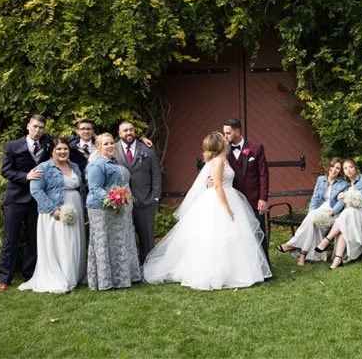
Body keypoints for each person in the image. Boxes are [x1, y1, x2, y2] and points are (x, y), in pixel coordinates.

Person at [142, 131, 271, 290]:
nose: (226, 138)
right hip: (219, 200)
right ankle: (214, 273)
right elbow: (217, 185)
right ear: (221, 144)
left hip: (230, 195)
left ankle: (233, 270)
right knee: (215, 236)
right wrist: (227, 208)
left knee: (233, 237)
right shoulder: (217, 161)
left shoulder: (225, 159)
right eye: (223, 138)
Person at [20, 137, 86, 293]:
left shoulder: (75, 166)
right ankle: (61, 276)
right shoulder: (44, 168)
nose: (63, 152)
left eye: (65, 149)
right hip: (55, 210)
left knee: (73, 241)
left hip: (74, 207)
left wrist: (83, 209)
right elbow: (36, 190)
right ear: (52, 151)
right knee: (61, 242)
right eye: (59, 149)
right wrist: (53, 210)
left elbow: (80, 188)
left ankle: (74, 275)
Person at [0, 114, 52, 291]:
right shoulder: (13, 145)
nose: (38, 130)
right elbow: (5, 170)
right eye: (35, 126)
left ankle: (29, 276)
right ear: (28, 126)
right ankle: (4, 279)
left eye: (41, 128)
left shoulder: (47, 143)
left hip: (37, 200)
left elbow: (67, 144)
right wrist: (25, 176)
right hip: (16, 199)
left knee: (33, 239)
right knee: (10, 239)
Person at [86, 132, 141, 291]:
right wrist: (111, 200)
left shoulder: (113, 162)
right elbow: (95, 188)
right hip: (101, 209)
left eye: (112, 143)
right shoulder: (96, 164)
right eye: (106, 144)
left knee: (117, 241)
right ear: (98, 147)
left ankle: (121, 277)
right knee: (104, 242)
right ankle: (104, 280)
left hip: (117, 208)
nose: (110, 146)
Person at [279, 156, 347, 265]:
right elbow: (315, 197)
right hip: (319, 209)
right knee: (311, 220)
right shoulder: (321, 180)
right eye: (333, 166)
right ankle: (302, 254)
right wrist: (311, 212)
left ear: (340, 171)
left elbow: (341, 202)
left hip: (332, 212)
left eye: (338, 168)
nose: (334, 170)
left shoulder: (343, 184)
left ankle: (293, 246)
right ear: (329, 167)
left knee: (312, 221)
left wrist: (332, 211)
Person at [223, 118, 270, 261]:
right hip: (234, 200)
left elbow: (264, 174)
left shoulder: (256, 148)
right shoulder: (223, 150)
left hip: (254, 199)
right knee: (237, 234)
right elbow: (214, 166)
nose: (225, 136)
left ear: (238, 131)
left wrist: (263, 198)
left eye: (228, 133)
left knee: (258, 231)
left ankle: (264, 266)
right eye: (224, 133)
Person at [316, 158, 362, 268]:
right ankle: (338, 258)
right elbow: (337, 203)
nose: (348, 170)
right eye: (345, 168)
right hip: (351, 215)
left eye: (351, 167)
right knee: (346, 218)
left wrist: (360, 204)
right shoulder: (347, 186)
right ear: (343, 171)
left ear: (355, 168)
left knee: (347, 214)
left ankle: (327, 240)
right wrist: (341, 196)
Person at [115, 120, 161, 260]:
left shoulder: (147, 148)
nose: (129, 132)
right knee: (123, 236)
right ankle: (129, 265)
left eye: (131, 129)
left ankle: (148, 264)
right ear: (119, 133)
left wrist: (155, 197)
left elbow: (156, 173)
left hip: (145, 199)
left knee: (146, 237)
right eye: (125, 130)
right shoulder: (113, 149)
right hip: (121, 201)